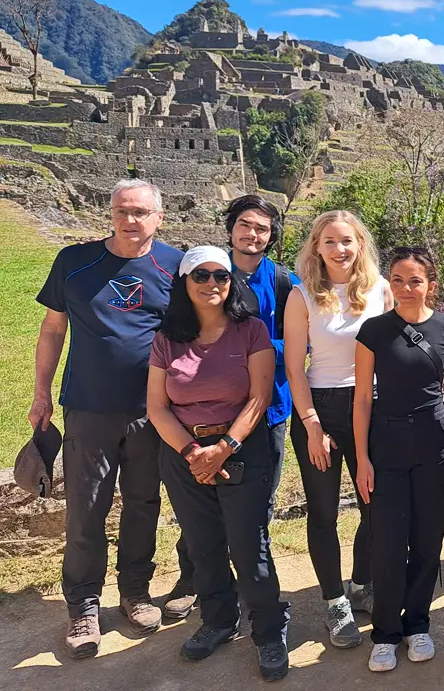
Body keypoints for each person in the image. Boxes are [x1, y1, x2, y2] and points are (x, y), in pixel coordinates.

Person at [30, 179, 182, 658]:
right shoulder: (75, 263)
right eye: (122, 211)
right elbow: (53, 328)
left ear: (159, 217)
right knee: (86, 508)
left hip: (152, 411)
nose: (130, 220)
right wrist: (41, 392)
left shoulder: (177, 267)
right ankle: (84, 607)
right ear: (110, 213)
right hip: (89, 408)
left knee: (143, 503)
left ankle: (135, 592)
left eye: (140, 212)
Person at [146, 246, 290, 681]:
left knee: (249, 545)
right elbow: (157, 406)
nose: (212, 283)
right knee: (203, 543)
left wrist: (222, 447)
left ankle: (268, 629)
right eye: (201, 276)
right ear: (184, 283)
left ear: (232, 283)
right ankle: (219, 621)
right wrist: (194, 455)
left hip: (242, 449)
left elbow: (259, 396)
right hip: (183, 456)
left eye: (221, 276)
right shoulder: (166, 338)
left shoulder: (251, 330)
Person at [168, 193, 300, 620]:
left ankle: (252, 586)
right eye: (245, 224)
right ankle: (194, 579)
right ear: (231, 228)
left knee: (255, 504)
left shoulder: (285, 283)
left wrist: (252, 350)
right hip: (202, 413)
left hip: (266, 409)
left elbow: (301, 340)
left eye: (262, 228)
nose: (252, 234)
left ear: (271, 236)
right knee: (198, 506)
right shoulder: (206, 272)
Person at [284, 210, 390, 649]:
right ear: (316, 247)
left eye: (347, 241)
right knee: (324, 512)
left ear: (360, 244)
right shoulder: (302, 295)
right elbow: (293, 367)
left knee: (374, 504)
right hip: (321, 408)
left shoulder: (381, 289)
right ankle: (334, 602)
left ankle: (363, 584)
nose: (339, 249)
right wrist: (311, 425)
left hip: (374, 406)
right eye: (329, 241)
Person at [353, 247, 444, 672]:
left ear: (430, 284)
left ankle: (418, 624)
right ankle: (385, 633)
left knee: (428, 539)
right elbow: (362, 399)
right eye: (397, 279)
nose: (405, 288)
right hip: (387, 446)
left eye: (414, 280)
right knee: (388, 542)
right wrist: (362, 459)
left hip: (436, 445)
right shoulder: (374, 331)